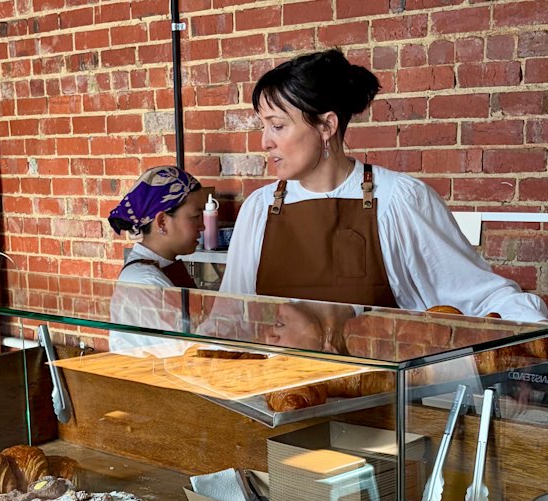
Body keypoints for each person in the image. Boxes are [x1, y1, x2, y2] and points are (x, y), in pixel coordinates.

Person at [220, 49, 547, 323]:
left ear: (327, 126)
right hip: (275, 392)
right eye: (263, 126)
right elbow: (230, 317)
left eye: (277, 126)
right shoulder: (260, 208)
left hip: (382, 395)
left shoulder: (398, 200)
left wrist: (530, 335)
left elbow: (479, 295)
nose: (265, 142)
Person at [107, 166, 205, 352]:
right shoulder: (145, 283)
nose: (203, 226)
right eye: (195, 216)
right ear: (162, 223)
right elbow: (184, 352)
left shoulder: (162, 267)